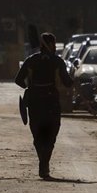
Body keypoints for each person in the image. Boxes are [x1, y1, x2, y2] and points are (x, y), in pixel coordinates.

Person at [15, 32, 73, 179]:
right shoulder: (57, 61)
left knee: (37, 134)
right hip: (51, 101)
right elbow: (67, 82)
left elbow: (18, 80)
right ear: (50, 44)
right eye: (53, 43)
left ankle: (43, 163)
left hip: (34, 102)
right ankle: (44, 164)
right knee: (51, 134)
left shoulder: (31, 60)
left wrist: (30, 86)